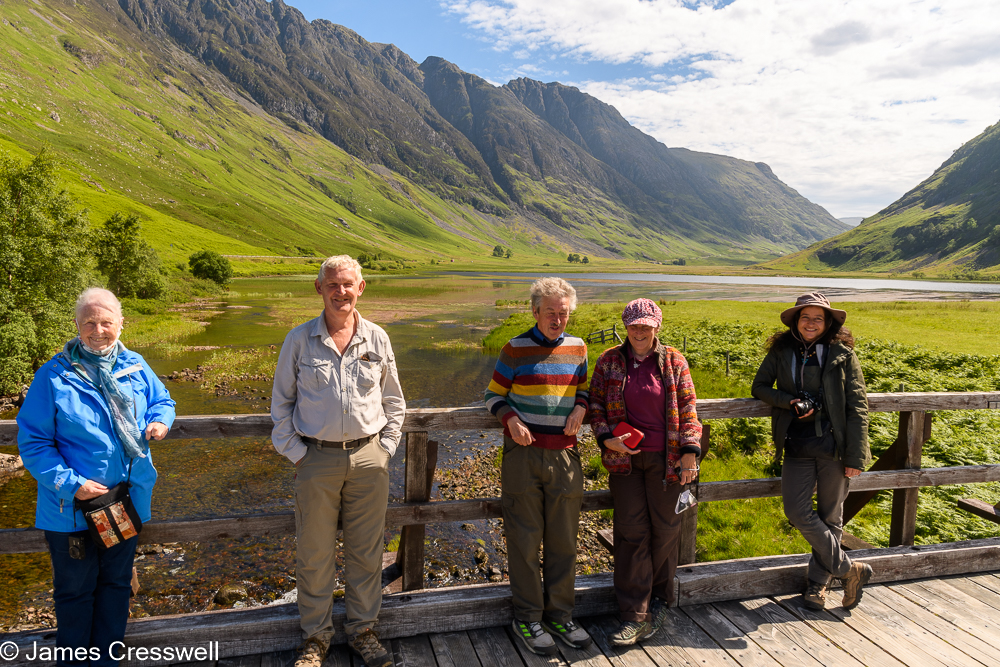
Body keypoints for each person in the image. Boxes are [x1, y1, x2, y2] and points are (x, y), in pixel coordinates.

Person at [17, 288, 175, 667]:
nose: (99, 330)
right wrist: (74, 484)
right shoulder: (53, 375)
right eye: (90, 322)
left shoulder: (135, 364)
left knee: (116, 585)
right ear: (77, 325)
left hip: (122, 502)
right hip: (71, 507)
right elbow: (34, 443)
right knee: (74, 592)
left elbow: (163, 400)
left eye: (106, 322)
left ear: (121, 323)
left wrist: (160, 421)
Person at [271, 255, 405, 667]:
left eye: (348, 284)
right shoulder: (298, 340)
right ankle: (316, 638)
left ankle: (363, 631)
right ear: (319, 289)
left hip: (369, 459)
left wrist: (384, 449)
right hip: (316, 459)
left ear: (361, 288)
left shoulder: (378, 338)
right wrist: (299, 455)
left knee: (366, 553)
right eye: (333, 284)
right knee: (314, 554)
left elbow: (395, 402)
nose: (341, 292)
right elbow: (281, 407)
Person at [484, 277, 593, 655]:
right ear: (535, 312)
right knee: (524, 539)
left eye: (563, 313)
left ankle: (560, 614)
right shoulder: (514, 348)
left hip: (564, 455)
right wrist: (510, 419)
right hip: (523, 455)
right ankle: (528, 618)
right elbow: (493, 394)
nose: (558, 319)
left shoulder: (579, 348)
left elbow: (583, 388)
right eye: (551, 313)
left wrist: (581, 406)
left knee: (564, 539)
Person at [588, 298, 702, 645]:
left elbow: (688, 408)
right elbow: (594, 406)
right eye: (634, 325)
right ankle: (635, 615)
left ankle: (661, 599)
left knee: (666, 531)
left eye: (646, 325)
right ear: (625, 326)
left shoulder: (673, 361)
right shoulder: (609, 360)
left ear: (658, 327)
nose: (639, 331)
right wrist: (607, 439)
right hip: (625, 463)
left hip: (667, 461)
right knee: (631, 533)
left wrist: (689, 453)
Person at [751, 292, 872, 611]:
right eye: (806, 317)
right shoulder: (781, 351)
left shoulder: (842, 354)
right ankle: (850, 570)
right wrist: (788, 401)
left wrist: (856, 457)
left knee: (831, 517)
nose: (811, 323)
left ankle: (817, 586)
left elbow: (858, 407)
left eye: (818, 318)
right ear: (795, 319)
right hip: (797, 444)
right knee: (796, 511)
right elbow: (759, 387)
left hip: (835, 448)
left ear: (828, 322)